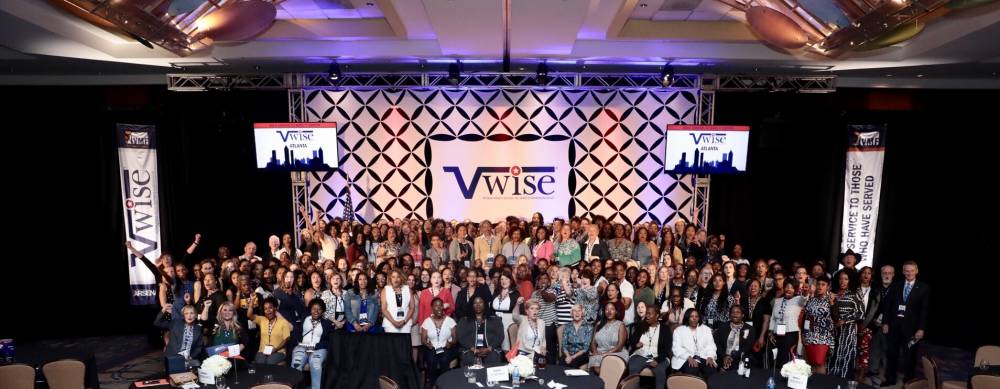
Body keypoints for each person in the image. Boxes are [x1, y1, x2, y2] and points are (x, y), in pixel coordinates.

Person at [881, 261, 929, 387]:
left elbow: (924, 310)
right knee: (892, 354)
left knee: (910, 356)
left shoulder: (923, 288)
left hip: (912, 329)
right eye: (907, 271)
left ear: (916, 271)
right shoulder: (896, 285)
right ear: (903, 272)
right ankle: (890, 379)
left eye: (912, 270)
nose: (909, 273)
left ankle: (908, 381)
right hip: (894, 326)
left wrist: (921, 329)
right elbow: (888, 306)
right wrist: (885, 323)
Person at [289, 299, 335, 389]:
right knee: (296, 363)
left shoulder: (327, 323)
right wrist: (298, 341)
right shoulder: (304, 318)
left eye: (319, 309)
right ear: (310, 309)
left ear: (322, 311)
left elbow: (329, 341)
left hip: (318, 348)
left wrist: (316, 347)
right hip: (302, 346)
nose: (316, 311)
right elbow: (296, 333)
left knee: (315, 363)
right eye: (314, 309)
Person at [627, 304, 673, 389]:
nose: (647, 316)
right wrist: (636, 344)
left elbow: (667, 348)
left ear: (657, 316)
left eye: (650, 314)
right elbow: (632, 340)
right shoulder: (641, 326)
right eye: (646, 313)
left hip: (658, 356)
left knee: (660, 371)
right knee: (633, 367)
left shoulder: (665, 329)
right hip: (641, 354)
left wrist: (657, 360)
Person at [830, 268, 863, 378]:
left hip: (849, 330)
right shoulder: (833, 293)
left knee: (846, 354)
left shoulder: (855, 294)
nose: (842, 281)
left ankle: (844, 380)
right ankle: (832, 380)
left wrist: (844, 320)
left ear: (850, 280)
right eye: (840, 279)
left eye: (846, 279)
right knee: (833, 354)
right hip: (834, 330)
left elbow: (861, 313)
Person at [420, 298, 458, 388]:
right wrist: (427, 344)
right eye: (436, 306)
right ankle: (433, 384)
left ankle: (445, 384)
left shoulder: (450, 321)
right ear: (432, 308)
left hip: (446, 347)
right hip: (432, 347)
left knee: (444, 359)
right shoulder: (427, 321)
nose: (439, 308)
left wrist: (451, 343)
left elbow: (455, 338)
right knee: (431, 360)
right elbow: (423, 339)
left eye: (440, 305)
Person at [867, 265, 895, 386]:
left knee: (887, 351)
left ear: (893, 275)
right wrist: (873, 319)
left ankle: (886, 375)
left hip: (889, 325)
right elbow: (869, 306)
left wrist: (886, 322)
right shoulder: (875, 287)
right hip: (874, 323)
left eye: (889, 273)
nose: (887, 275)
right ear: (881, 274)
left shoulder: (897, 288)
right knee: (874, 348)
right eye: (884, 273)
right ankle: (873, 371)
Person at [457, 296, 505, 366]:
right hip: (470, 350)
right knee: (470, 359)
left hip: (491, 349)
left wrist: (489, 348)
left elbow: (500, 336)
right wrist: (473, 349)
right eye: (475, 303)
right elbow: (461, 337)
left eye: (480, 302)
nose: (478, 305)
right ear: (471, 305)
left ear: (485, 304)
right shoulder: (464, 320)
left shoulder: (495, 320)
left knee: (493, 359)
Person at [154, 304, 204, 370]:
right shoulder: (175, 323)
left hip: (189, 360)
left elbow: (199, 347)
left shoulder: (198, 328)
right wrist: (164, 310)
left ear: (195, 315)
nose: (189, 316)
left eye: (192, 313)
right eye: (186, 313)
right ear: (183, 315)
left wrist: (191, 357)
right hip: (173, 358)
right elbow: (157, 323)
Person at [671, 308, 718, 378]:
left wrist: (710, 356)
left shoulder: (706, 329)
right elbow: (676, 348)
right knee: (692, 369)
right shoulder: (678, 331)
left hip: (703, 356)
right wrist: (688, 357)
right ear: (687, 318)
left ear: (699, 318)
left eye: (696, 316)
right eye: (691, 316)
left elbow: (710, 345)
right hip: (685, 358)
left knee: (711, 369)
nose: (694, 318)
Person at [769, 279, 805, 368]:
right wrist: (770, 332)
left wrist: (805, 293)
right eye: (787, 287)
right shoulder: (777, 301)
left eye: (792, 288)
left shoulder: (798, 300)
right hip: (777, 333)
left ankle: (785, 378)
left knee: (787, 359)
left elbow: (804, 299)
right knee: (776, 358)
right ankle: (775, 377)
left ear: (796, 290)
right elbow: (773, 318)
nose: (789, 289)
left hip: (791, 334)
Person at [803, 275, 834, 374]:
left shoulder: (831, 301)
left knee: (819, 363)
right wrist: (804, 333)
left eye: (823, 285)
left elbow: (836, 318)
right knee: (810, 364)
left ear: (828, 287)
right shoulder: (811, 300)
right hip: (810, 336)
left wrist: (833, 303)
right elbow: (807, 318)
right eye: (818, 284)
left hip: (823, 337)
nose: (820, 286)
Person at [248, 296, 293, 365]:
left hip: (278, 351)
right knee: (260, 362)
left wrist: (275, 349)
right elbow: (249, 315)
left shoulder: (283, 322)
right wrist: (252, 301)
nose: (268, 311)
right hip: (262, 351)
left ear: (275, 308)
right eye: (265, 309)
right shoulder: (262, 320)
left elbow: (286, 339)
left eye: (270, 308)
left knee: (269, 362)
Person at [588, 302, 628, 374]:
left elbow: (619, 346)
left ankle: (606, 383)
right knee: (595, 361)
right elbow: (593, 342)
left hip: (616, 352)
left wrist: (605, 354)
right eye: (607, 309)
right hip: (599, 352)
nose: (609, 311)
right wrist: (595, 351)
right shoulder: (599, 324)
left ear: (616, 311)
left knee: (601, 364)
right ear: (604, 311)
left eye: (612, 309)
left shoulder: (620, 325)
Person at [713, 305, 756, 371]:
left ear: (743, 315)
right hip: (723, 356)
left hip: (740, 358)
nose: (735, 314)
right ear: (730, 315)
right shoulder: (722, 327)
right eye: (733, 312)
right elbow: (716, 343)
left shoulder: (749, 329)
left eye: (738, 312)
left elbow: (748, 347)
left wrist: (732, 357)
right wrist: (724, 356)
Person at [491, 271, 521, 350]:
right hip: (495, 322)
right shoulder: (496, 291)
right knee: (496, 345)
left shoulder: (515, 293)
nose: (504, 281)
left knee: (507, 346)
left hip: (509, 321)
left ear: (511, 280)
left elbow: (517, 312)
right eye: (502, 279)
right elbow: (491, 308)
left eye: (506, 279)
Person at [381, 269, 417, 334]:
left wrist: (404, 321)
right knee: (391, 344)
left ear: (401, 278)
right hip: (390, 324)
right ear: (390, 278)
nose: (396, 279)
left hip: (405, 324)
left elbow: (412, 307)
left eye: (398, 277)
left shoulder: (407, 289)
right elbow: (384, 309)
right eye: (393, 277)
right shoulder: (386, 289)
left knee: (404, 344)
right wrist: (394, 322)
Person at [515, 299, 548, 364]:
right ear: (527, 311)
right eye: (532, 308)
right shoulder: (522, 320)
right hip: (524, 352)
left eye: (537, 309)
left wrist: (543, 347)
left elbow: (543, 340)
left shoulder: (542, 322)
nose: (535, 311)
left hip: (537, 353)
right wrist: (517, 304)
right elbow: (515, 316)